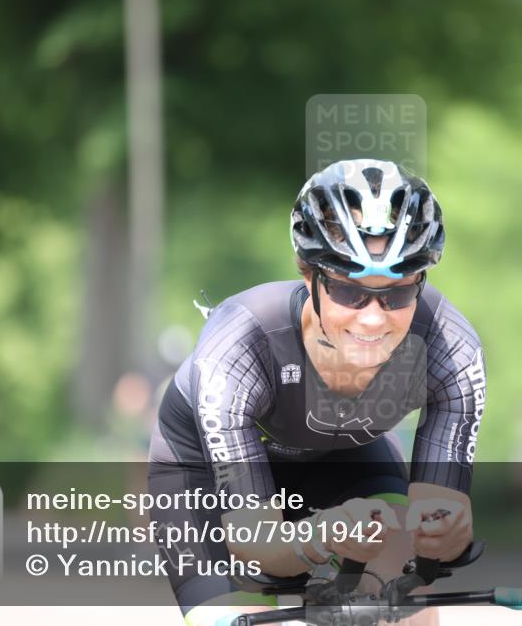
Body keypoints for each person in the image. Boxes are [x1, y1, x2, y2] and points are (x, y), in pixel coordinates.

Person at [148, 159, 486, 626]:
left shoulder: (450, 348)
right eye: (350, 292)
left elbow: (435, 532)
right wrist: (321, 537)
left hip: (345, 458)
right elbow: (257, 546)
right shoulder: (240, 344)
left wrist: (447, 534)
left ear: (421, 282)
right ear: (310, 276)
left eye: (398, 294)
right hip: (204, 474)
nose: (373, 319)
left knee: (408, 606)